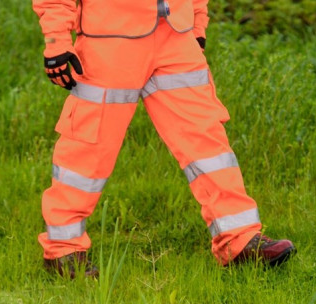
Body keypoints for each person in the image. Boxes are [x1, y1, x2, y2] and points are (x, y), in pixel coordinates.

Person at [33, 0, 296, 278]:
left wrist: (196, 21)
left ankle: (239, 240)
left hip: (176, 37)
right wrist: (56, 39)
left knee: (207, 142)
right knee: (87, 150)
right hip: (109, 40)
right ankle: (62, 250)